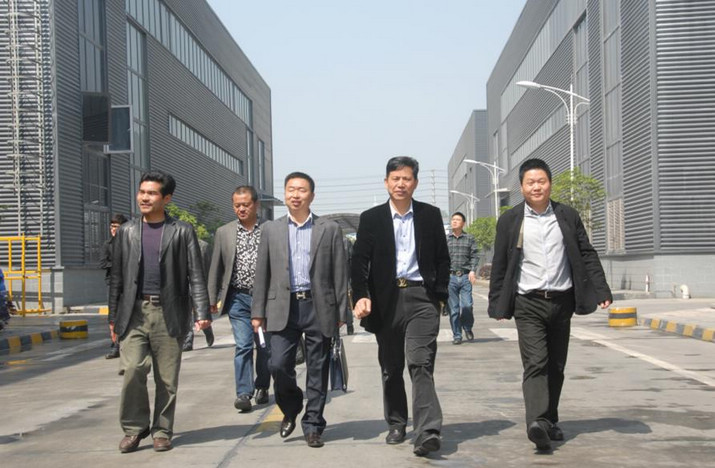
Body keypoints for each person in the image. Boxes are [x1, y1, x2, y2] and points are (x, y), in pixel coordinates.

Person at [488, 158, 612, 451]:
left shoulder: (567, 215)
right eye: (530, 182)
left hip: (561, 301)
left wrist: (601, 289)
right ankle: (537, 423)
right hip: (527, 302)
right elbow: (501, 263)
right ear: (521, 187)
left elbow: (586, 253)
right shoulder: (510, 220)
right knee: (536, 363)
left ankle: (550, 421)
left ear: (550, 184)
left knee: (556, 365)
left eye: (541, 181)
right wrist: (497, 303)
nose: (536, 187)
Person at [351, 156, 450, 457]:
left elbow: (443, 259)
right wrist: (360, 295)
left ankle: (427, 431)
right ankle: (396, 422)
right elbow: (359, 262)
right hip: (386, 299)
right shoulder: (372, 218)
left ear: (415, 183)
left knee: (420, 362)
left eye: (406, 179)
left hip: (422, 297)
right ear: (386, 183)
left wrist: (439, 295)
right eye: (395, 179)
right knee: (391, 366)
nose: (401, 184)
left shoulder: (430, 215)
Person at [108, 170, 211, 454]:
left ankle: (162, 430)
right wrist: (113, 317)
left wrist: (202, 311)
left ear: (166, 199)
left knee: (167, 378)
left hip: (169, 312)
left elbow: (195, 274)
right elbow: (116, 278)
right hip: (134, 312)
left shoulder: (181, 231)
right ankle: (134, 428)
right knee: (132, 369)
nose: (144, 197)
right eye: (142, 192)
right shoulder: (127, 231)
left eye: (151, 193)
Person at [251, 172, 348, 448]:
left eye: (302, 190)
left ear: (312, 196)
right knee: (278, 365)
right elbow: (262, 272)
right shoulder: (271, 229)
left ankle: (313, 424)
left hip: (319, 306)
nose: (296, 195)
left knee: (318, 368)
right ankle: (291, 407)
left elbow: (340, 271)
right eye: (291, 189)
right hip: (282, 307)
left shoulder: (329, 229)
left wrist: (343, 311)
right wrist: (257, 312)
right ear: (284, 194)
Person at [207, 185, 271, 413]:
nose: (241, 209)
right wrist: (211, 297)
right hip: (238, 298)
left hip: (265, 300)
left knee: (264, 347)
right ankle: (243, 393)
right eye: (237, 205)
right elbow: (216, 267)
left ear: (256, 205)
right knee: (243, 345)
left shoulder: (271, 229)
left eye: (245, 205)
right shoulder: (224, 232)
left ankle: (262, 385)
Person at [446, 211, 479, 345]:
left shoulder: (469, 238)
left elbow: (475, 256)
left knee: (467, 305)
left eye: (458, 219)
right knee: (453, 309)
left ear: (463, 223)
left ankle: (467, 327)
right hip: (450, 277)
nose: (454, 221)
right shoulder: (446, 239)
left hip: (465, 276)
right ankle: (457, 335)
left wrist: (472, 271)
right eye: (453, 219)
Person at [101, 213, 128, 359]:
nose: (113, 229)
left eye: (116, 226)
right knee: (114, 314)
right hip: (112, 283)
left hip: (128, 283)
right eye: (111, 226)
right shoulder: (108, 245)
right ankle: (115, 345)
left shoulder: (130, 243)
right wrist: (118, 264)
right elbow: (103, 263)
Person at [182, 237, 215, 351]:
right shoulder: (180, 245)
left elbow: (210, 267)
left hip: (199, 284)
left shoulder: (204, 246)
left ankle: (207, 328)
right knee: (186, 313)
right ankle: (187, 341)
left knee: (199, 312)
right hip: (184, 284)